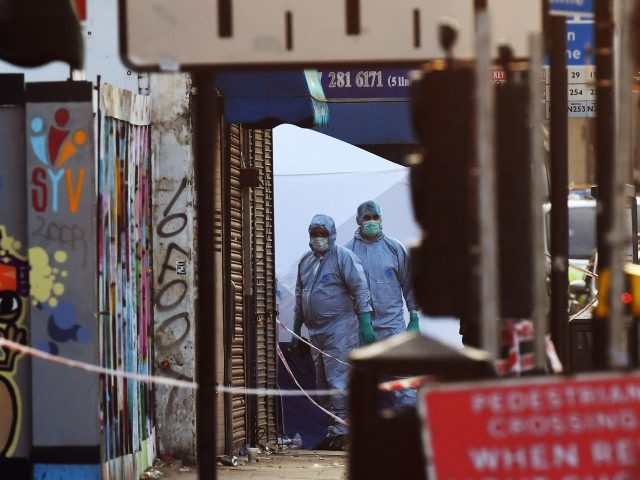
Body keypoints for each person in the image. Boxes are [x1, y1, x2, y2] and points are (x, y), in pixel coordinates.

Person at [291, 214, 374, 450]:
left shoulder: (344, 258)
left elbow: (360, 289)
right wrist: (297, 326)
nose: (318, 238)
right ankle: (335, 429)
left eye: (322, 233)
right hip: (316, 330)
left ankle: (345, 430)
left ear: (331, 234)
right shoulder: (306, 262)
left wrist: (365, 320)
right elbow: (300, 293)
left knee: (339, 380)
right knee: (323, 383)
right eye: (314, 233)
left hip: (340, 328)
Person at [344, 200, 419, 408]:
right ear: (358, 221)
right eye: (366, 218)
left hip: (393, 327)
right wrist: (359, 324)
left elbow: (409, 284)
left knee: (402, 380)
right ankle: (367, 435)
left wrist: (414, 316)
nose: (371, 222)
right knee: (363, 384)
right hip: (360, 329)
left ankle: (406, 428)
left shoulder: (394, 249)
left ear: (381, 219)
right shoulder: (347, 252)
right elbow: (342, 292)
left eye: (375, 217)